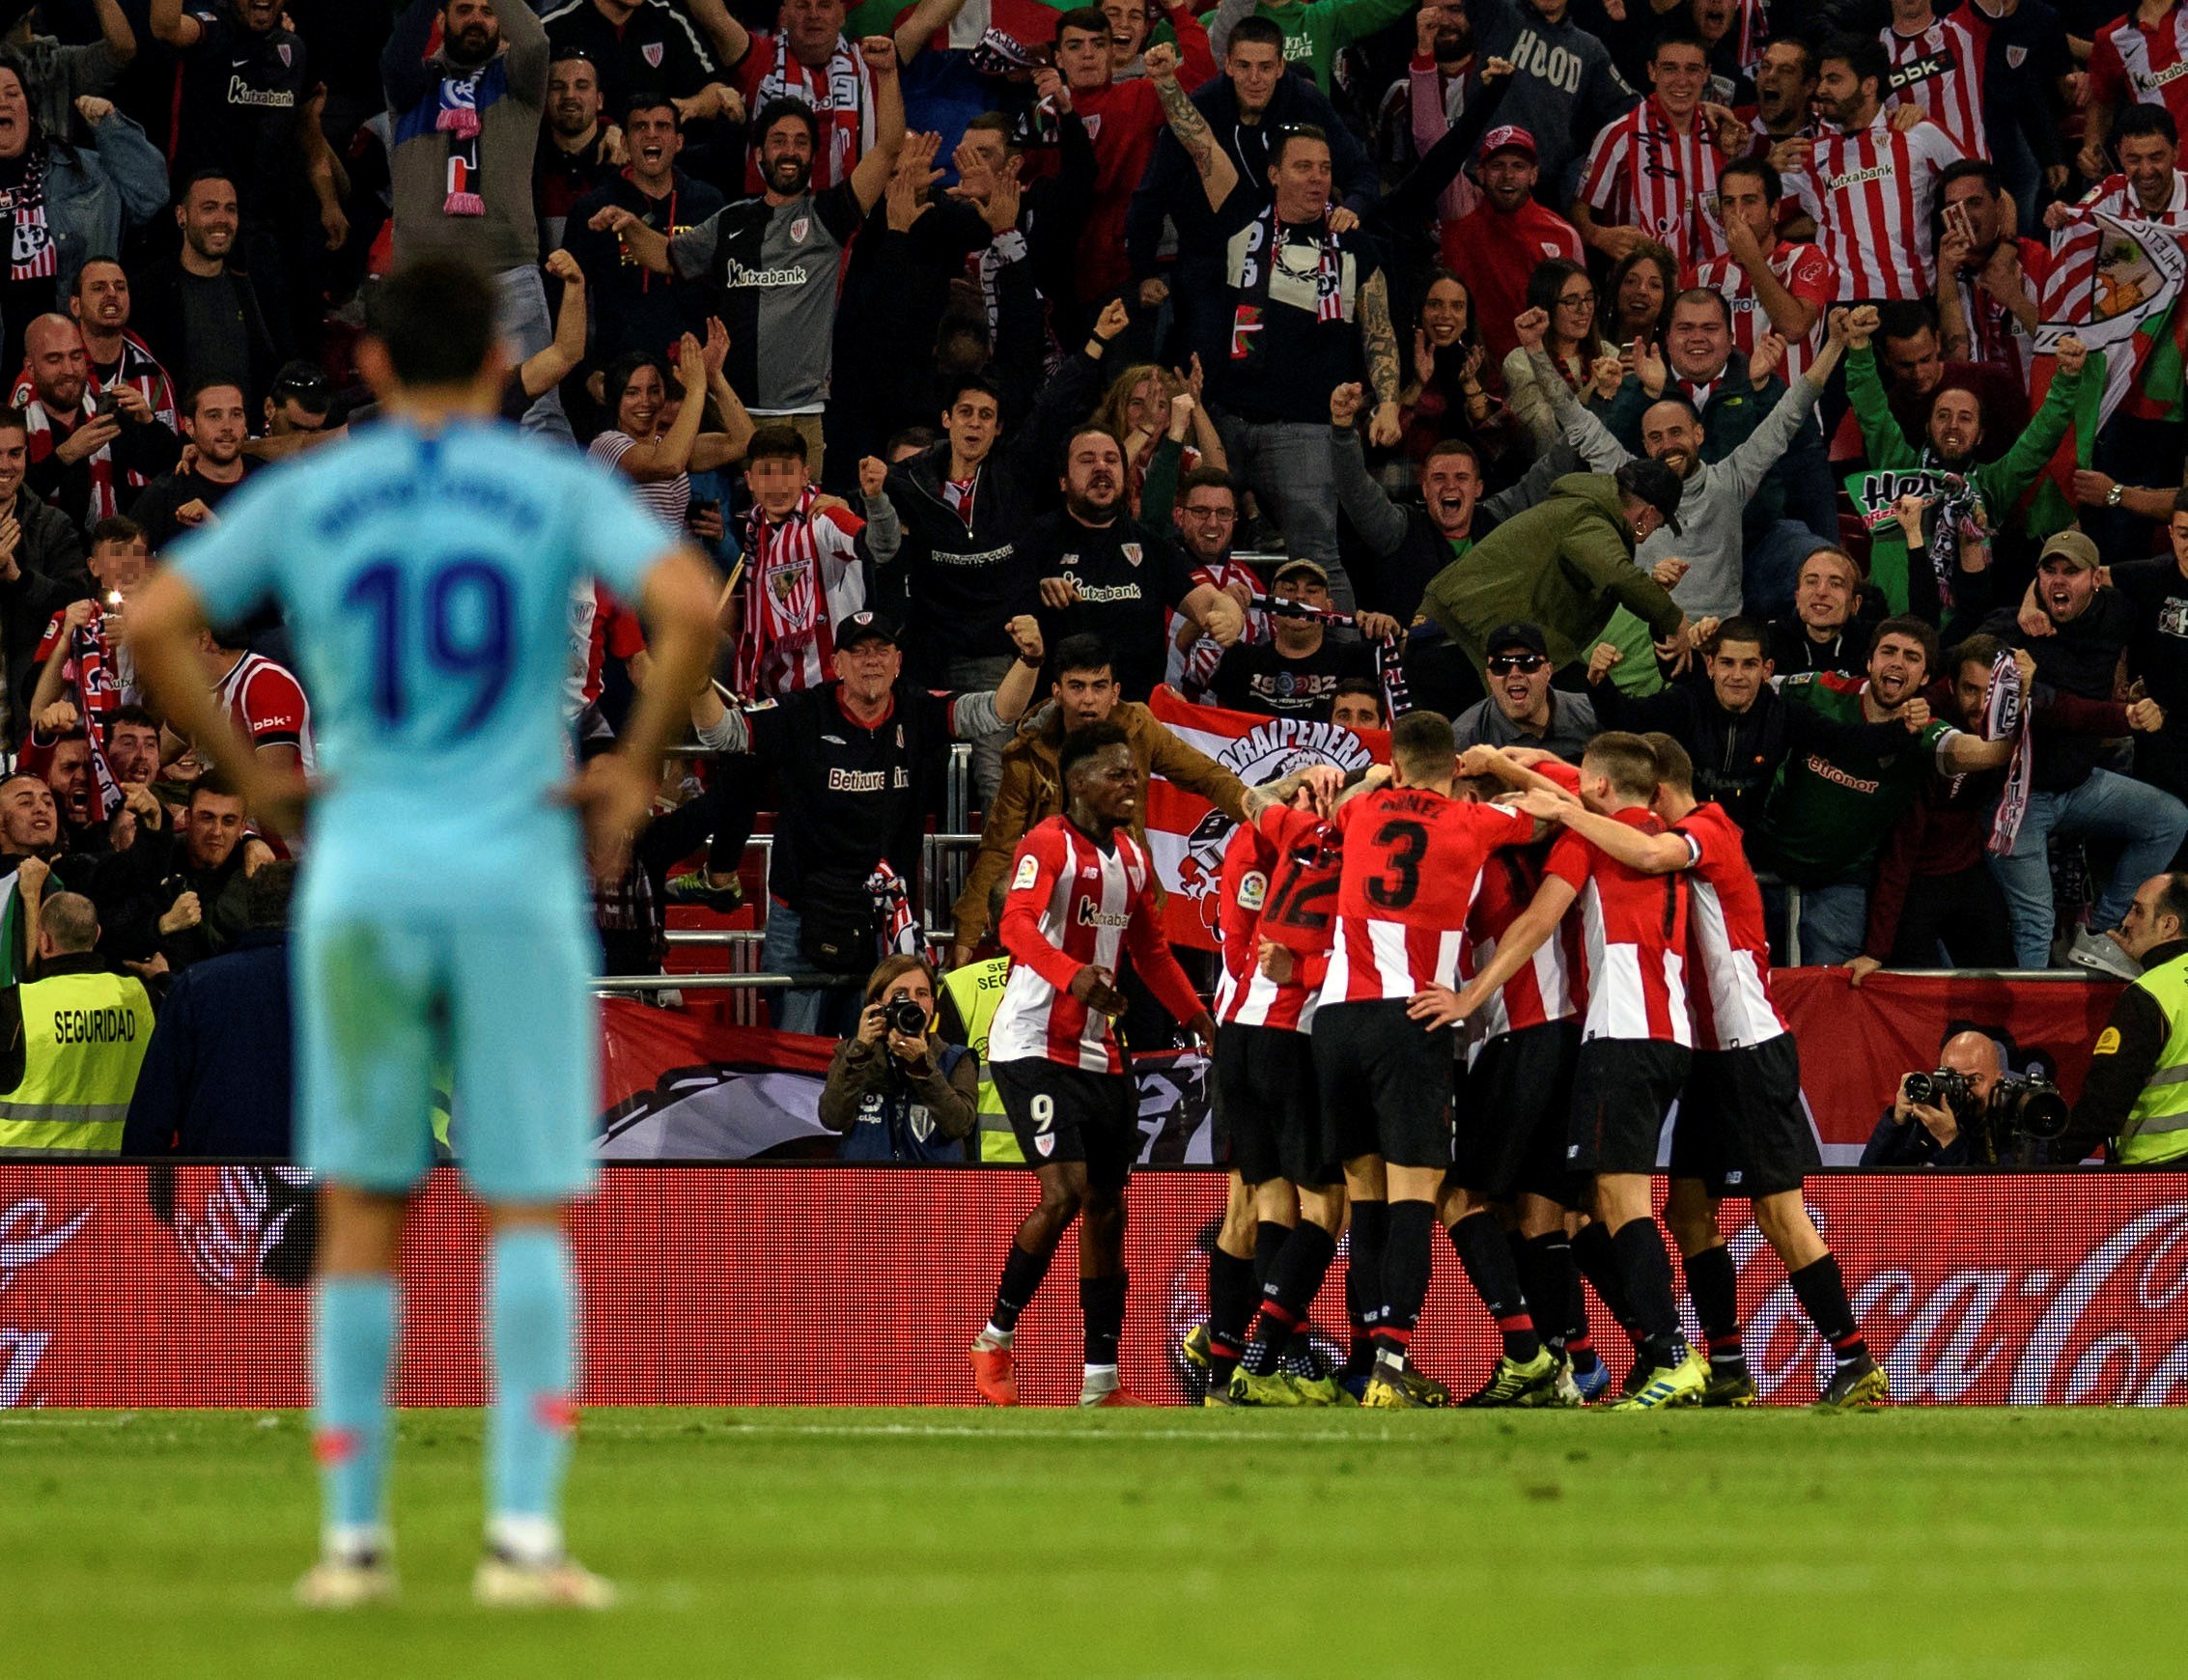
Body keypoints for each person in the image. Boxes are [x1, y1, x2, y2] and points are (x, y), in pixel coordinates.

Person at [123, 255, 722, 1608]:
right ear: (503, 366)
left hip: (368, 868)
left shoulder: (317, 491)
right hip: (511, 863)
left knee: (360, 1208)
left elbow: (156, 620)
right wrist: (630, 769)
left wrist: (253, 773)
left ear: (377, 368)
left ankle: (352, 1545)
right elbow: (692, 604)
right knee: (521, 1211)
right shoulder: (547, 483)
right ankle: (523, 1539)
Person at [1514, 733, 1888, 1410]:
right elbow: (1599, 794)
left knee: (1778, 1211)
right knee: (1687, 1211)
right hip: (1704, 1054)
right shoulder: (1652, 824)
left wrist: (1565, 805)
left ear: (1658, 791)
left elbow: (1643, 847)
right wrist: (1521, 764)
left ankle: (1855, 1359)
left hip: (1747, 1047)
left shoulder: (1708, 828)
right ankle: (1727, 1364)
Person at [1420, 732, 1701, 1410]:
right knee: (1548, 1212)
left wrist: (1468, 997)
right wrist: (1517, 767)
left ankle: (1543, 1355)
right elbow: (1584, 789)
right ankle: (1596, 1357)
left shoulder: (1489, 845)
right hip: (1581, 1033)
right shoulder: (1594, 833)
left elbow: (1537, 919)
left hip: (1529, 1033)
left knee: (1458, 1193)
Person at [968, 720, 1219, 1409]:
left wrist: (1198, 1018)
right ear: (1077, 782)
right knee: (1066, 1193)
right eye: (1116, 774)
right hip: (1031, 1043)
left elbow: (1151, 952)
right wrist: (1073, 976)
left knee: (1108, 1209)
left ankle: (1100, 1382)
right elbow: (1015, 924)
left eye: (1133, 773)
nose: (1130, 783)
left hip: (1100, 1051)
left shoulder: (1133, 858)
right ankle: (995, 1338)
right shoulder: (1047, 843)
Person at [1304, 712, 1539, 1408]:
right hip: (1411, 1018)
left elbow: (1341, 804)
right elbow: (1549, 815)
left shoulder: (1362, 809)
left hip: (1335, 1020)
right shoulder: (1476, 821)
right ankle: (1389, 1368)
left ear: (1399, 764)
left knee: (1365, 1197)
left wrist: (1375, 776)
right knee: (1416, 1196)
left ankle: (1370, 1361)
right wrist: (1503, 767)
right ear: (1455, 768)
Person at [694, 610, 1042, 1034]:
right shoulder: (803, 712)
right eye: (858, 651)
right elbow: (723, 734)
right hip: (801, 915)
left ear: (898, 662)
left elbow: (997, 713)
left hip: (884, 919)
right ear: (837, 664)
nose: (871, 660)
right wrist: (696, 682)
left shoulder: (918, 709)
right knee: (798, 1056)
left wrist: (1030, 661)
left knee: (880, 1054)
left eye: (881, 649)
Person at [1146, 46, 1398, 600]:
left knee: (1318, 560)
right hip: (1226, 418)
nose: (1317, 179)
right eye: (1304, 167)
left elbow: (1379, 332)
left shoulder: (1355, 244)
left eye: (1325, 169)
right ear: (1274, 173)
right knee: (1180, 541)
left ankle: (1342, 652)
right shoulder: (1242, 216)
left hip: (1306, 429)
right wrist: (1166, 82)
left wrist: (1389, 403)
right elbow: (1200, 144)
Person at [589, 42, 907, 474]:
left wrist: (886, 73)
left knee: (798, 520)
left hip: (801, 417)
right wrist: (629, 224)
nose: (789, 151)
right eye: (778, 141)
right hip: (729, 415)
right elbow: (665, 255)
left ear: (813, 157)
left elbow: (888, 149)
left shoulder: (829, 215)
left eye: (800, 142)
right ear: (759, 155)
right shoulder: (730, 221)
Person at [1524, 294, 1847, 620]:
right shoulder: (1626, 476)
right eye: (1656, 438)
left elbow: (1792, 411)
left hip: (1720, 636)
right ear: (1645, 445)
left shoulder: (1730, 480)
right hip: (1647, 631)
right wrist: (1535, 348)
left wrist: (1834, 343)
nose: (1668, 445)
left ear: (1698, 435)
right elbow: (1570, 413)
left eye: (1676, 433)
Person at [1197, 772, 1352, 1406]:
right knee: (1326, 1208)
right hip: (1286, 1036)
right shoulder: (1331, 854)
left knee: (1265, 1207)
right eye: (1306, 794)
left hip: (1239, 1032)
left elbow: (1253, 802)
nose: (1316, 802)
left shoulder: (1283, 840)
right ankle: (1272, 1354)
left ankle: (1226, 1366)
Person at [950, 633, 1248, 959]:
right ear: (1057, 693)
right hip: (1056, 914)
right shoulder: (1027, 754)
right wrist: (966, 937)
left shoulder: (1139, 728)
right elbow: (998, 847)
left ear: (1115, 693)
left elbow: (1208, 776)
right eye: (1077, 687)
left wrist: (1260, 812)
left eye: (1099, 686)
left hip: (1129, 909)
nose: (1088, 700)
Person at [1750, 617, 2019, 966]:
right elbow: (1747, 683)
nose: (1897, 662)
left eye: (1911, 657)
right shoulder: (1822, 690)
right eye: (1888, 651)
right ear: (1869, 662)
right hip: (1767, 860)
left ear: (1925, 677)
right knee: (1747, 971)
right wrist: (1697, 640)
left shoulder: (1926, 734)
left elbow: (1987, 752)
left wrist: (2017, 695)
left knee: (1830, 981)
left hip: (1842, 879)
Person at [1978, 531, 2188, 976]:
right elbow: (2059, 709)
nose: (2058, 581)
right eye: (2049, 571)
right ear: (2036, 577)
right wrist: (2027, 605)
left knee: (2169, 818)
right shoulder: (2009, 629)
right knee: (2037, 923)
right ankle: (2037, 1013)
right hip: (2018, 800)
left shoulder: (2117, 613)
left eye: (2070, 572)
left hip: (2079, 785)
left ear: (2094, 579)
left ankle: (2104, 933)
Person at [381, 0, 563, 438]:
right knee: (426, 423)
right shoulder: (413, 86)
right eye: (465, 9)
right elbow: (396, 56)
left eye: (488, 9)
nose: (477, 19)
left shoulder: (518, 81)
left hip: (508, 276)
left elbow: (535, 42)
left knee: (536, 420)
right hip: (426, 287)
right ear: (441, 19)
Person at [1590, 615, 1908, 834]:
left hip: (1746, 846)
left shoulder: (1783, 715)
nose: (1737, 676)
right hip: (1677, 835)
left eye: (1749, 665)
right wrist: (1599, 683)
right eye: (1727, 663)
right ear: (1711, 665)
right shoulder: (1687, 702)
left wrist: (1905, 728)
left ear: (1767, 670)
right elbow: (1625, 720)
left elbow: (1845, 741)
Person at [1022, 424, 1245, 701]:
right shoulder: (1034, 541)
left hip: (1136, 715)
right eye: (1087, 460)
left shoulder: (1151, 546)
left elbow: (1211, 602)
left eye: (1111, 460)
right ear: (1063, 480)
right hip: (1057, 711)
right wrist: (1035, 590)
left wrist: (1231, 617)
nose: (1101, 467)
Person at [1416, 462, 1690, 685]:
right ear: (1648, 515)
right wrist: (1674, 620)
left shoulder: (1581, 510)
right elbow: (1617, 575)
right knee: (1576, 706)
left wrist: (1654, 592)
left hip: (1468, 634)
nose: (1649, 536)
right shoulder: (1591, 518)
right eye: (1659, 525)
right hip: (1462, 639)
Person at [119, 860, 295, 1159]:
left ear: (250, 911)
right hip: (329, 1183)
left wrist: (144, 1185)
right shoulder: (353, 991)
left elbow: (152, 1113)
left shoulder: (196, 987)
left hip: (216, 1181)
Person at [1780, 32, 1963, 301]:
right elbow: (1758, 215)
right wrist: (1769, 171)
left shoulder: (1917, 133)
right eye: (1822, 79)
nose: (1821, 90)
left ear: (1868, 85)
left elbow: (1981, 188)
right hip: (1840, 310)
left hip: (1911, 304)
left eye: (1834, 79)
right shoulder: (1810, 155)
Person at [558, 96, 729, 381]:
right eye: (640, 127)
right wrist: (587, 374)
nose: (651, 134)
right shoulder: (591, 210)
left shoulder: (709, 204)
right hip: (622, 378)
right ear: (624, 143)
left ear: (679, 142)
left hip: (696, 372)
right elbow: (569, 301)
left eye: (662, 126)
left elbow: (726, 292)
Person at [0, 889, 154, 1157]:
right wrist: (163, 979)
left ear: (44, 941)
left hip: (27, 1176)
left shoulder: (14, 1006)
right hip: (117, 1172)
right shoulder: (140, 997)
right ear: (97, 934)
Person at [2055, 873, 2188, 1166]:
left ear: (2169, 925)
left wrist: (2052, 1160)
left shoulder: (2149, 995)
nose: (2125, 922)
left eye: (2138, 911)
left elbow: (2104, 1104)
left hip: (2161, 1173)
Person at [1573, 23, 1727, 272]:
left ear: (1706, 74)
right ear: (1652, 71)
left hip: (1711, 284)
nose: (1681, 80)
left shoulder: (1720, 134)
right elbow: (1578, 213)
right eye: (1669, 68)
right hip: (1641, 286)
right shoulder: (1619, 135)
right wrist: (1598, 235)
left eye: (1692, 69)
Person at [129, 171, 280, 410]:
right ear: (181, 216)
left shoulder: (253, 284)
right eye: (209, 208)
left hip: (246, 429)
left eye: (230, 209)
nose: (222, 219)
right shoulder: (148, 290)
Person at [1437, 126, 1584, 369]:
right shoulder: (1461, 213)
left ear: (1533, 175)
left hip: (1538, 375)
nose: (1508, 175)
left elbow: (1579, 314)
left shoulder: (1563, 235)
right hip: (1466, 371)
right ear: (1480, 173)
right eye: (1497, 165)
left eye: (1518, 166)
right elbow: (1430, 139)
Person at [21, 313, 180, 534]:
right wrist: (65, 455)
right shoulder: (15, 426)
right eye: (54, 360)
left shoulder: (108, 416)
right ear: (30, 368)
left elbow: (174, 472)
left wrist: (149, 423)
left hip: (110, 549)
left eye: (76, 357)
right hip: (41, 550)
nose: (69, 370)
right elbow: (11, 498)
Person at [1687, 156, 1835, 384]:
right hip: (1724, 403)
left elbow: (1795, 328)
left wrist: (1751, 258)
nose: (1739, 213)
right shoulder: (1702, 274)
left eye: (1749, 201)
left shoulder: (1804, 257)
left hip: (1789, 403)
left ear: (1774, 209)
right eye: (1729, 202)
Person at [818, 954, 977, 1162]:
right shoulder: (851, 1054)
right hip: (866, 1179)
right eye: (900, 994)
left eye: (922, 993)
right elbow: (832, 1119)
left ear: (932, 1004)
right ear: (877, 1004)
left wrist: (923, 1067)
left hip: (932, 1180)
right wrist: (860, 1053)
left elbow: (960, 1125)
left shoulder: (955, 1059)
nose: (913, 1001)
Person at [0, 406, 92, 733]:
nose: (5, 465)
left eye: (15, 453)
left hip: (26, 707)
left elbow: (78, 600)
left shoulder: (51, 525)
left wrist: (19, 578)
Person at [1208, 557, 1389, 719]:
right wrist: (1219, 602)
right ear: (1270, 603)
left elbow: (1404, 671)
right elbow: (1199, 700)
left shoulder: (1356, 660)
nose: (1300, 596)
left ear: (1329, 607)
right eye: (1289, 589)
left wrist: (1394, 632)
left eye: (1312, 590)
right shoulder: (1241, 659)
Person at [1933, 160, 2044, 392]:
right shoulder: (1945, 273)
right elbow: (1957, 360)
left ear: (1999, 208)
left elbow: (2069, 346)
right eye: (1953, 207)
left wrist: (2015, 301)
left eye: (1974, 203)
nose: (1965, 216)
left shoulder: (2037, 260)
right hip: (1978, 407)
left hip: (2038, 405)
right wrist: (1946, 279)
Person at [1501, 258, 1613, 452]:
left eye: (1588, 298)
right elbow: (1547, 432)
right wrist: (1593, 391)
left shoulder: (1609, 353)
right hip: (1549, 466)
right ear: (1545, 306)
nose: (1584, 309)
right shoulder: (1521, 362)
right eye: (1571, 301)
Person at [127, 383, 254, 552]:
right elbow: (122, 564)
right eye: (214, 416)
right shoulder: (163, 495)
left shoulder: (270, 482)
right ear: (189, 426)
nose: (227, 426)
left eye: (236, 414)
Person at [1860, 1027, 2004, 1167]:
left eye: (1973, 1080)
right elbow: (1869, 1177)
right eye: (1952, 1080)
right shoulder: (1929, 1124)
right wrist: (1897, 1122)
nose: (1961, 1089)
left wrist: (1949, 1140)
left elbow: (1990, 1183)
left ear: (1998, 1081)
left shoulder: (2010, 1126)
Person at [1453, 622, 1597, 760]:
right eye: (1501, 665)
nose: (1515, 673)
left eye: (1528, 663)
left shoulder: (1592, 713)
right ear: (1489, 677)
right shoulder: (1465, 740)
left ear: (1548, 671)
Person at [1767, 545, 1879, 678]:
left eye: (1836, 584)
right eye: (1811, 581)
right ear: (1798, 598)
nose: (1821, 592)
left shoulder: (1876, 644)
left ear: (1855, 603)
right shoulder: (1768, 640)